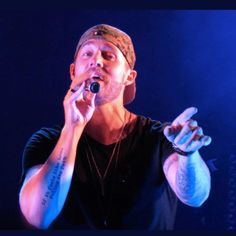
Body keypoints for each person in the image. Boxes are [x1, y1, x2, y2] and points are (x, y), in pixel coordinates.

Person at [19, 24, 212, 230]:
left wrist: (187, 154)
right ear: (73, 71)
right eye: (88, 53)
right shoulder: (47, 141)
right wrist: (72, 129)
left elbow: (194, 197)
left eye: (108, 55)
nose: (97, 61)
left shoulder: (158, 137)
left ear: (129, 77)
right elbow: (37, 216)